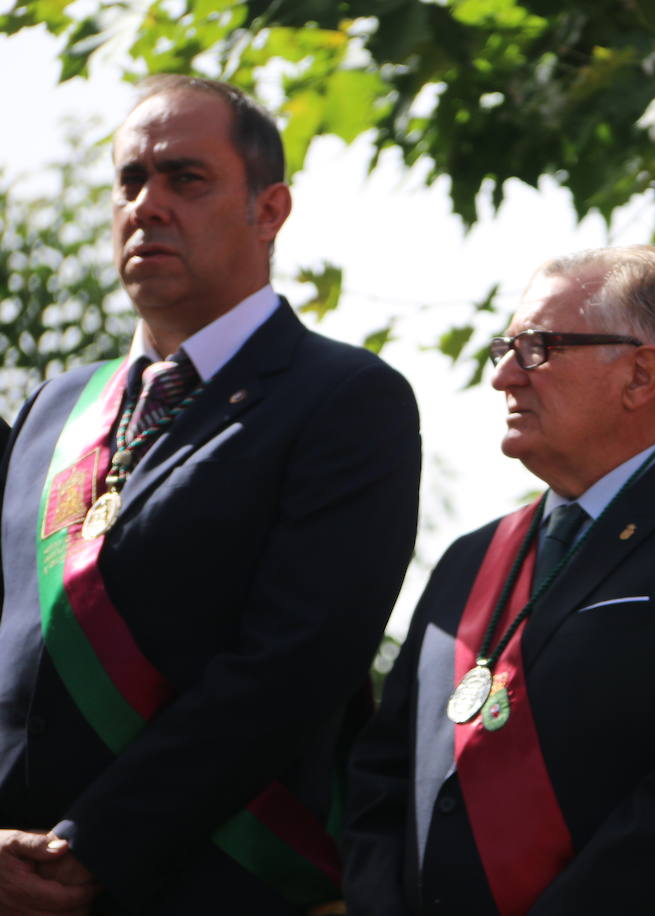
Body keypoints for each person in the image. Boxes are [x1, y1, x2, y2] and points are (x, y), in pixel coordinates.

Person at [0, 75, 421, 915]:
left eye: (185, 179)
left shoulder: (346, 398)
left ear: (270, 210)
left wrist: (91, 850)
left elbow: (292, 669)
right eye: (129, 181)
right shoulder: (55, 406)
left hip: (207, 882)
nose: (147, 204)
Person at [343, 245, 655, 915]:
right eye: (506, 348)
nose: (506, 378)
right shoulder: (469, 559)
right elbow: (381, 779)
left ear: (640, 375)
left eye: (540, 348)